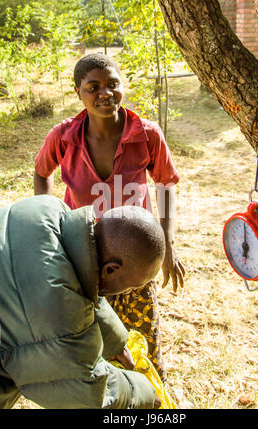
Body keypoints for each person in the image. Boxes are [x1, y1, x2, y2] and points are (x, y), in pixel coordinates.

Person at [34, 53, 185, 380]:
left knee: (142, 336)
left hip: (135, 255)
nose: (105, 93)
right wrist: (45, 220)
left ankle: (149, 396)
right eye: (93, 87)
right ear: (79, 92)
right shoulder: (64, 137)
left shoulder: (146, 135)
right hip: (83, 257)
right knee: (90, 336)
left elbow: (167, 184)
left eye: (113, 84)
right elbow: (41, 172)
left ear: (122, 86)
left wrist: (167, 246)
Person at [0, 196, 166, 409]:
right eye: (131, 286)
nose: (127, 291)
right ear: (111, 269)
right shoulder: (58, 314)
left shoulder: (49, 209)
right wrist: (145, 393)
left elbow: (80, 284)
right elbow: (89, 393)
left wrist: (115, 341)